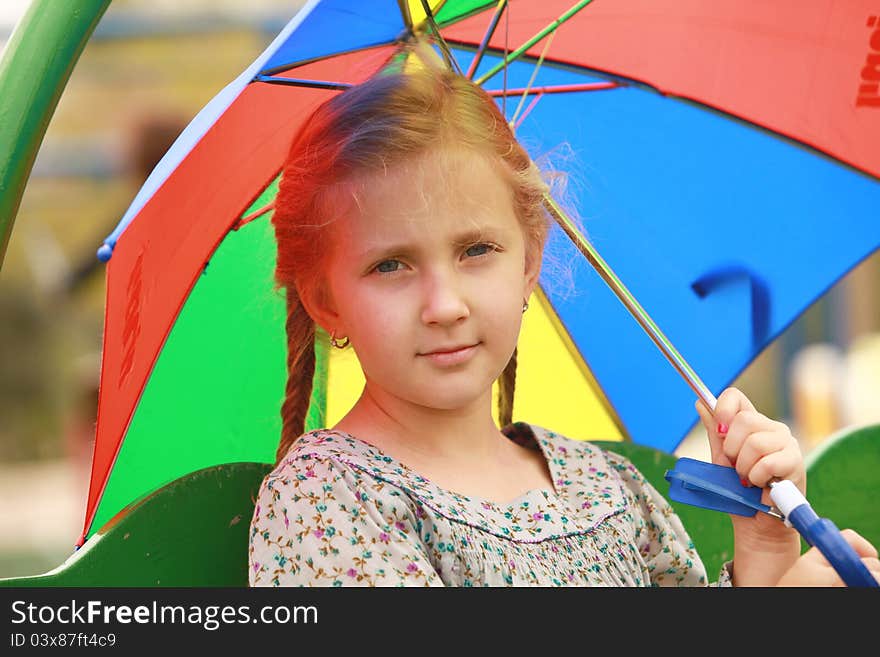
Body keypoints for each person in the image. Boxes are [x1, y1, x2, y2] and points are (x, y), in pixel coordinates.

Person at [248, 40, 880, 587]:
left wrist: (766, 549)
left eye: (476, 250)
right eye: (391, 265)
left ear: (529, 262)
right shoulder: (328, 503)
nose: (444, 305)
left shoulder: (605, 486)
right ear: (325, 299)